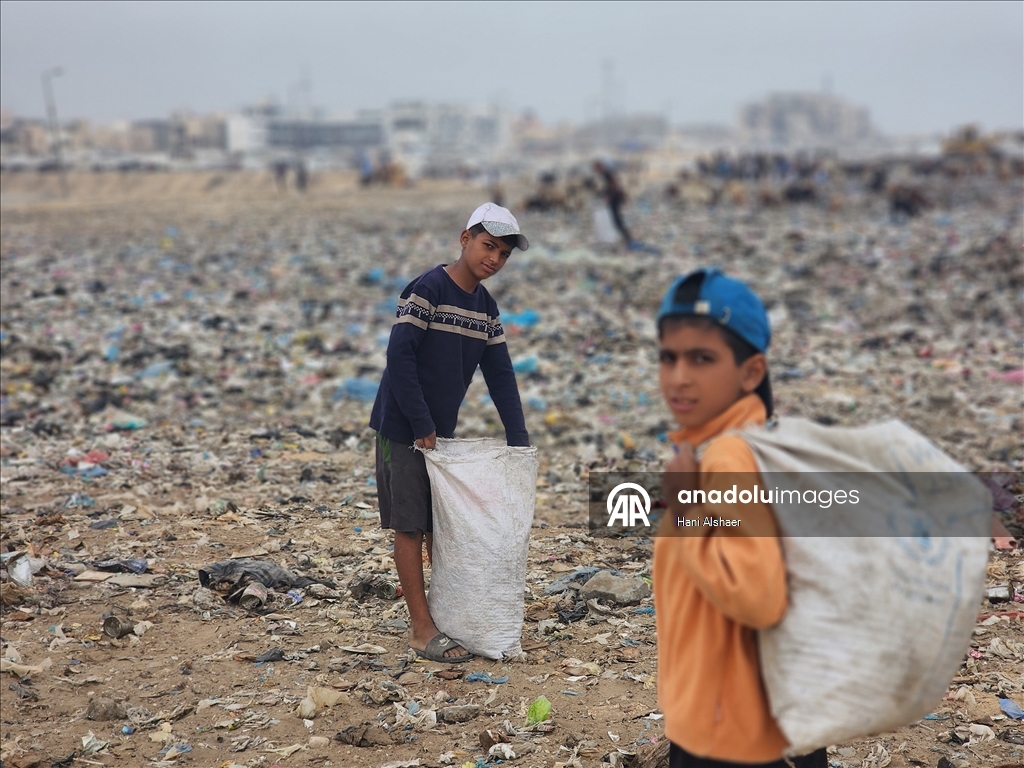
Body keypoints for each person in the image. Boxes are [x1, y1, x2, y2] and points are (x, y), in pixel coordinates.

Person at [652, 268, 826, 768]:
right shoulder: (737, 447)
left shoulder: (731, 458)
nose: (679, 377)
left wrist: (683, 513)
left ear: (751, 372)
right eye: (669, 358)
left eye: (702, 359)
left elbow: (757, 596)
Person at [369, 202, 531, 663]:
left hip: (438, 434)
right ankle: (422, 629)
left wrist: (518, 438)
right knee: (410, 525)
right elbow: (399, 359)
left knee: (442, 526)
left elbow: (500, 374)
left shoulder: (485, 307)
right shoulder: (429, 288)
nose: (494, 259)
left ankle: (449, 615)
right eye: (488, 246)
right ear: (465, 239)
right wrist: (421, 422)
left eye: (503, 254)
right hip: (401, 426)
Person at [593, 160, 633, 244]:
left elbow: (614, 187)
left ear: (599, 167)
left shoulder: (607, 174)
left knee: (616, 219)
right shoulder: (604, 174)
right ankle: (621, 237)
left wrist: (608, 198)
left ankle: (628, 238)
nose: (595, 170)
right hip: (614, 198)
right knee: (613, 218)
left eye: (596, 168)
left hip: (615, 199)